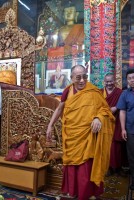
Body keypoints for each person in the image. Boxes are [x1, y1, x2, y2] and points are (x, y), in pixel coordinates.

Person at [46, 65, 115, 199]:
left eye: (85, 77)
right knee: (72, 164)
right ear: (71, 78)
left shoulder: (93, 92)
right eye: (78, 77)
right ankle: (73, 191)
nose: (82, 80)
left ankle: (88, 193)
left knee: (86, 165)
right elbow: (59, 109)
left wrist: (98, 118)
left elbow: (105, 110)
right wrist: (50, 125)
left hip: (88, 135)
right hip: (72, 134)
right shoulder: (67, 91)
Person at [102, 73, 125, 175]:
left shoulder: (120, 92)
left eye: (111, 81)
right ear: (104, 82)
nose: (109, 83)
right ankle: (107, 167)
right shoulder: (100, 92)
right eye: (107, 81)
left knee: (116, 146)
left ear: (114, 81)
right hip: (104, 121)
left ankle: (117, 167)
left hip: (117, 121)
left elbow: (123, 104)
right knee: (105, 145)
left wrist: (116, 107)